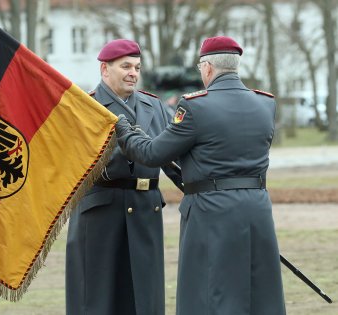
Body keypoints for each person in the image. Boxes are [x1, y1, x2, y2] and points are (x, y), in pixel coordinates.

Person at [115, 36, 286, 315]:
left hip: (211, 210)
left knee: (207, 292)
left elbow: (151, 154)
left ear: (206, 68)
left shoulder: (195, 107)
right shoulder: (265, 104)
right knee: (259, 292)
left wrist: (126, 131)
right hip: (257, 208)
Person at [65, 39, 183, 315]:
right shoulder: (87, 108)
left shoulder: (155, 107)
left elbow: (172, 161)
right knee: (96, 298)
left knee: (145, 298)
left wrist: (207, 189)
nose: (133, 72)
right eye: (126, 66)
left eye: (137, 67)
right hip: (100, 214)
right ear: (105, 70)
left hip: (145, 210)